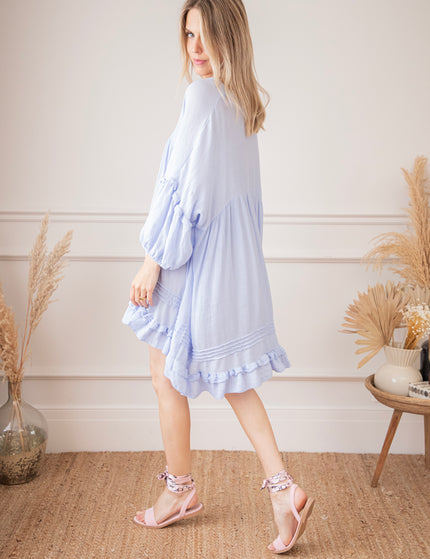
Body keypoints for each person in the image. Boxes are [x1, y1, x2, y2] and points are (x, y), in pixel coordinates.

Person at [122, 0, 315, 553]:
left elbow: (184, 194)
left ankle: (179, 490)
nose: (197, 49)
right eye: (189, 36)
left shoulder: (203, 98)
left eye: (207, 36)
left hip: (190, 258)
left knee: (163, 373)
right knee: (234, 380)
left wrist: (153, 259)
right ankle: (282, 489)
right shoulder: (242, 103)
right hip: (231, 265)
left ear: (231, 38)